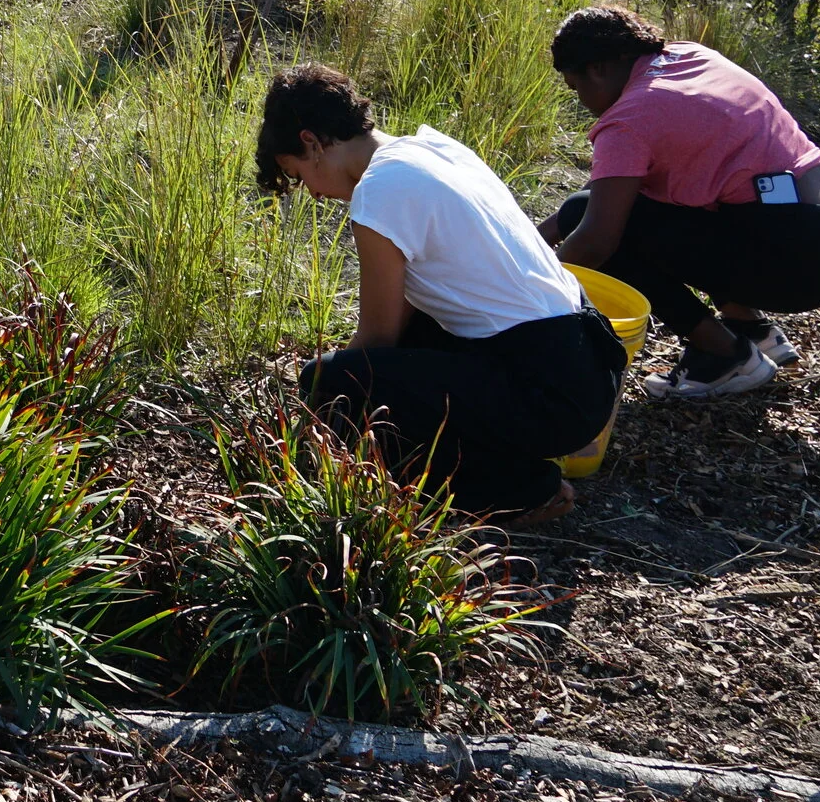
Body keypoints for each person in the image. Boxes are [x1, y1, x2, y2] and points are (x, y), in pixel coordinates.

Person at [259, 63, 626, 526]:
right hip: (590, 363)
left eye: (296, 175)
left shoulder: (378, 192)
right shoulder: (433, 148)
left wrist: (311, 413)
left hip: (547, 389)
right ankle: (506, 461)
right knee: (391, 363)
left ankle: (519, 489)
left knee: (332, 382)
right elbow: (410, 311)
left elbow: (377, 339)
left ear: (311, 143)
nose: (310, 193)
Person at [538, 6, 820, 401]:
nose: (581, 101)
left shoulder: (628, 121)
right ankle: (750, 329)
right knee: (601, 208)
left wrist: (531, 293)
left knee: (608, 233)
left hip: (801, 266)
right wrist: (528, 242)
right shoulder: (690, 57)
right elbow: (598, 199)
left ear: (596, 69)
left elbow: (596, 241)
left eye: (576, 89)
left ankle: (724, 355)